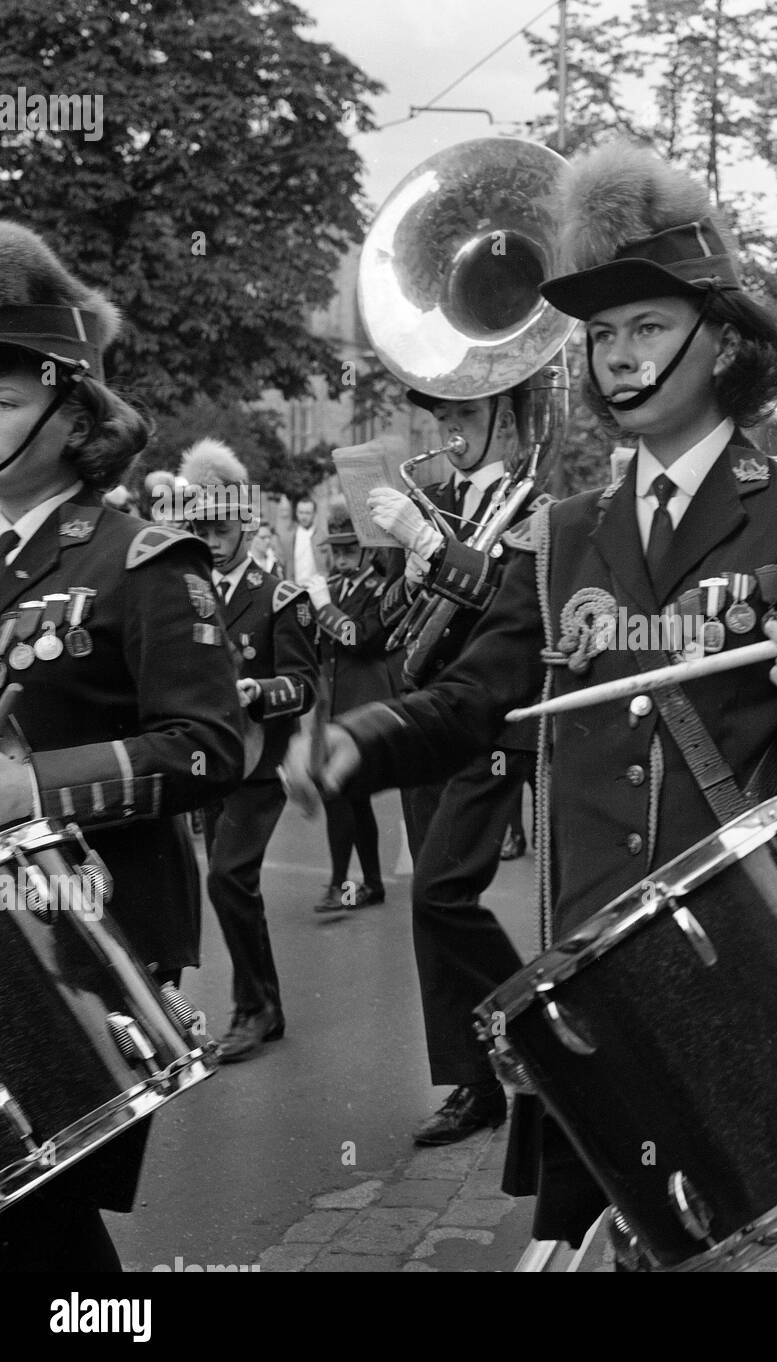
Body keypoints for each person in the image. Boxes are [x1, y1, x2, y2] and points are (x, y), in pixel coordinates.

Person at [283, 139, 777, 1254]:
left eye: (648, 328)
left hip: (743, 960)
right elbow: (479, 701)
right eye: (602, 336)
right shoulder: (561, 536)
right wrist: (357, 744)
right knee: (584, 1236)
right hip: (591, 967)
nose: (618, 358)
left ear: (724, 344)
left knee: (714, 1237)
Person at [0, 222, 243, 1270]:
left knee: (43, 1231)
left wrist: (30, 788)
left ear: (72, 407)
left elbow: (207, 747)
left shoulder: (134, 557)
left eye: (3, 396)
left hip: (76, 946)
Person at [365, 383, 540, 1147]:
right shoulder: (449, 501)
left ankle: (539, 1036)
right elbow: (403, 624)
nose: (449, 432)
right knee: (429, 905)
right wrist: (411, 574)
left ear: (510, 421)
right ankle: (475, 1086)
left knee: (441, 890)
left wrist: (432, 548)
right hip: (433, 712)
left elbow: (513, 598)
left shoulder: (538, 502)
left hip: (494, 722)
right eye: (441, 420)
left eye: (464, 417)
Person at [182, 439, 319, 1065]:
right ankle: (264, 1004)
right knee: (231, 883)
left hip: (261, 759)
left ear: (246, 525)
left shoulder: (280, 597)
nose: (211, 538)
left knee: (228, 876)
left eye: (221, 526)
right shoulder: (186, 593)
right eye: (201, 527)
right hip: (208, 759)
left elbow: (306, 683)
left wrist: (259, 689)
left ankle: (252, 1009)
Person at [312, 499, 391, 913]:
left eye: (348, 550)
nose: (340, 559)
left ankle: (339, 883)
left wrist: (324, 608)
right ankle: (373, 883)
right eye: (336, 550)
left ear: (366, 550)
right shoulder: (338, 587)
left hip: (364, 705)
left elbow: (360, 637)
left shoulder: (378, 589)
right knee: (351, 797)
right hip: (335, 705)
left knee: (338, 792)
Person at [276, 493, 327, 587]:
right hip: (295, 587)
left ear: (314, 513)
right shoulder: (288, 536)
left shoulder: (322, 536)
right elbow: (281, 563)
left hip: (318, 587)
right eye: (301, 512)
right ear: (296, 513)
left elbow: (330, 563)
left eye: (307, 513)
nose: (304, 517)